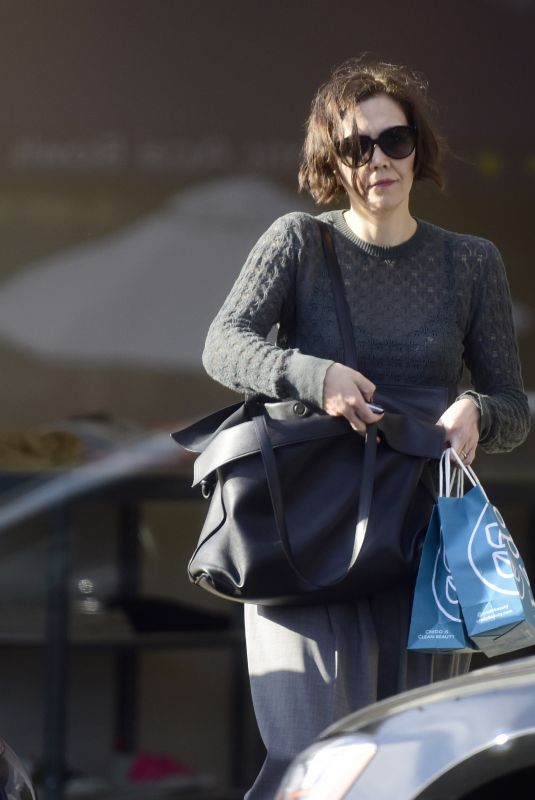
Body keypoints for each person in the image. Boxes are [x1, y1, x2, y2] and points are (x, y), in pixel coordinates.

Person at [201, 57, 530, 800]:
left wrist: (478, 411)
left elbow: (514, 406)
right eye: (356, 147)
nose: (378, 160)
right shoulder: (297, 242)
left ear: (419, 149)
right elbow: (224, 345)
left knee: (415, 762)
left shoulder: (469, 263)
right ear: (331, 161)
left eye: (395, 140)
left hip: (420, 540)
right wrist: (314, 377)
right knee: (311, 757)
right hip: (305, 532)